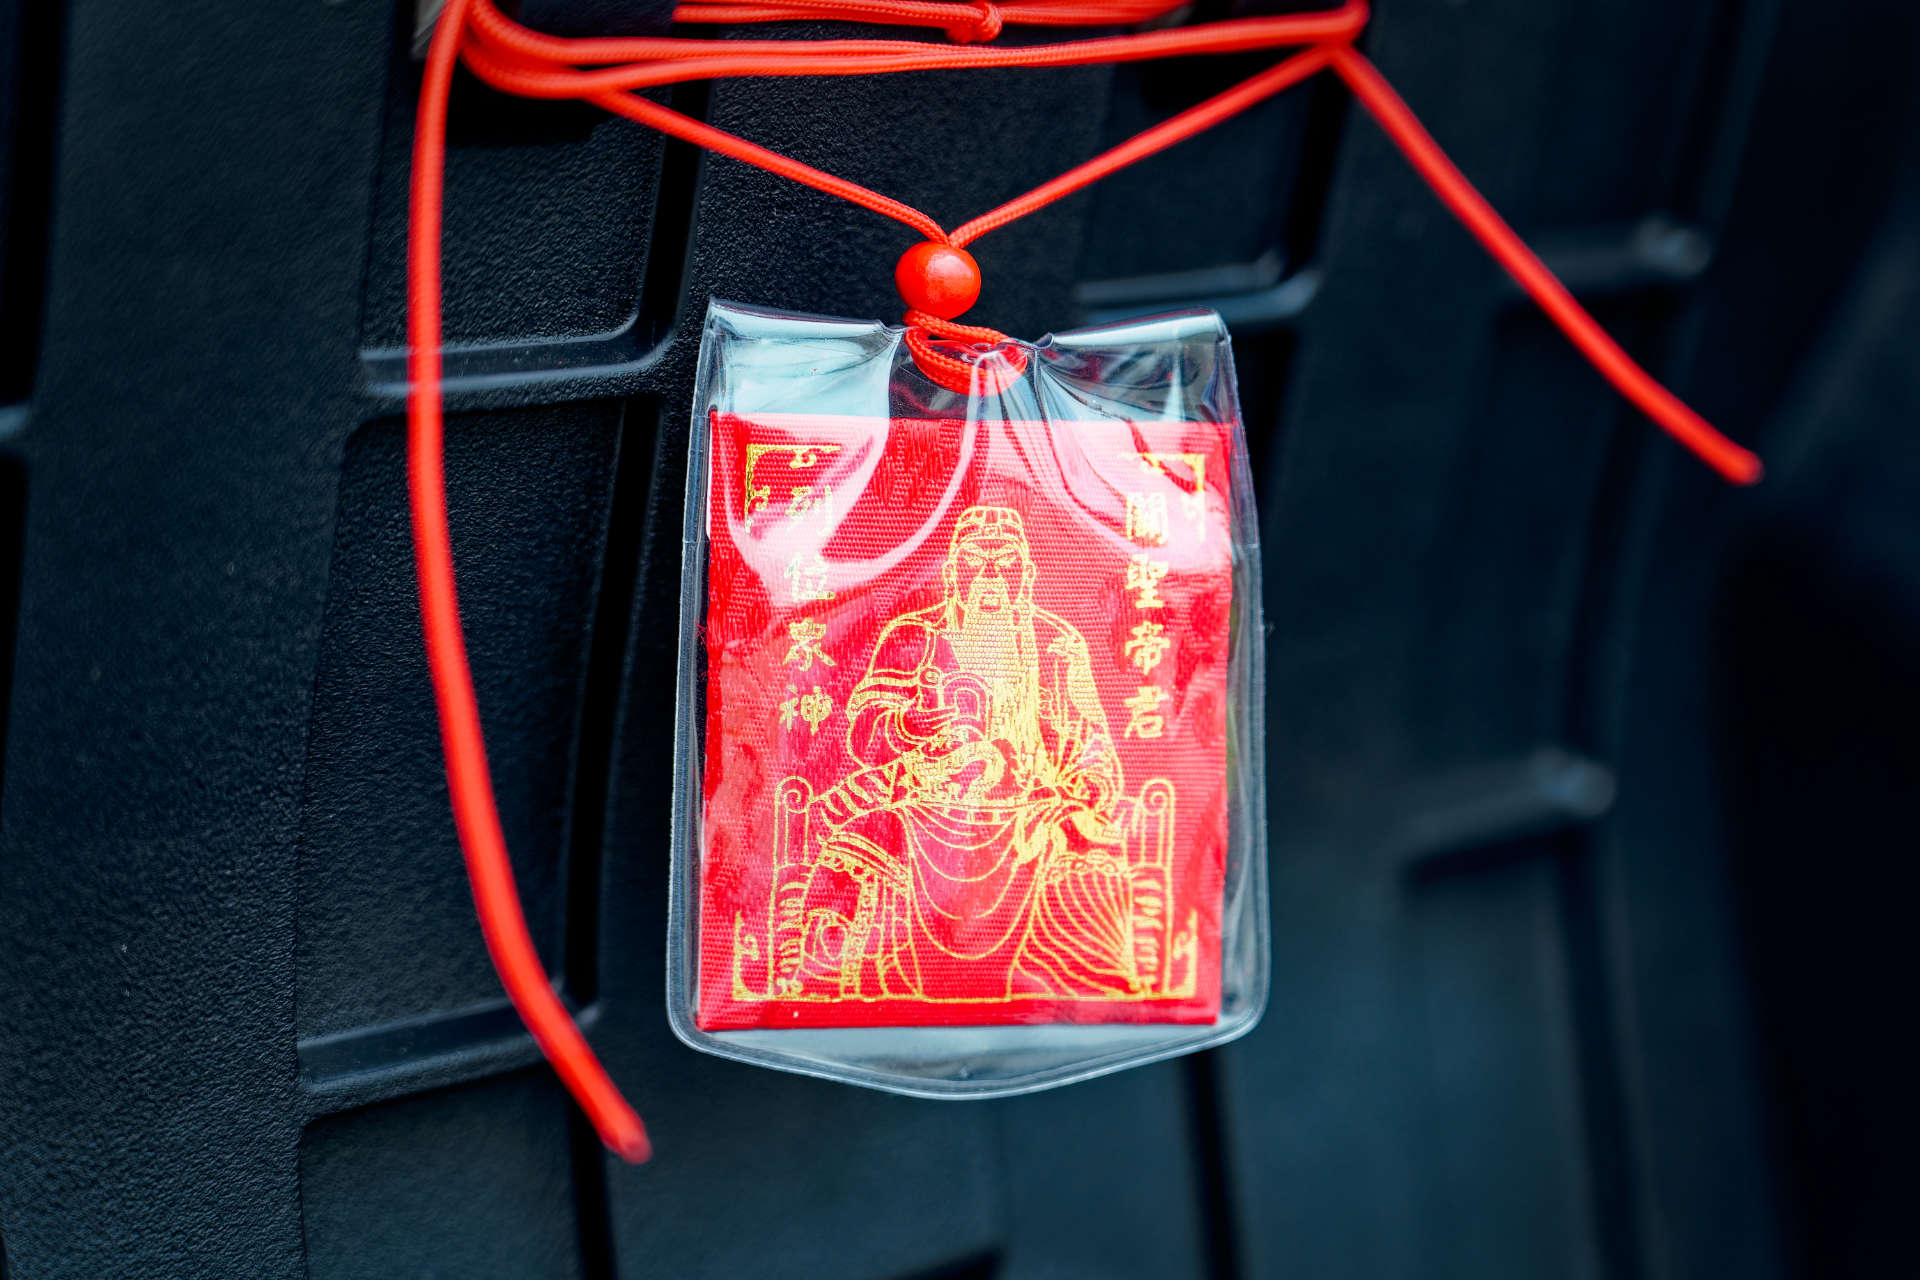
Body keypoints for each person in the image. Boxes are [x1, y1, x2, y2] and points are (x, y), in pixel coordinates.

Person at [791, 505, 1141, 1002]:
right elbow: (864, 735)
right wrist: (909, 726)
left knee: (1090, 864)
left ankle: (1079, 987)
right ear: (954, 571)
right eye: (978, 562)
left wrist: (1084, 787)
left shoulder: (1057, 643)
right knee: (854, 853)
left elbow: (1091, 742)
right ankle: (840, 975)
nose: (992, 577)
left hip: (1031, 811)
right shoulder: (913, 637)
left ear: (1027, 573)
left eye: (1006, 563)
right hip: (924, 807)